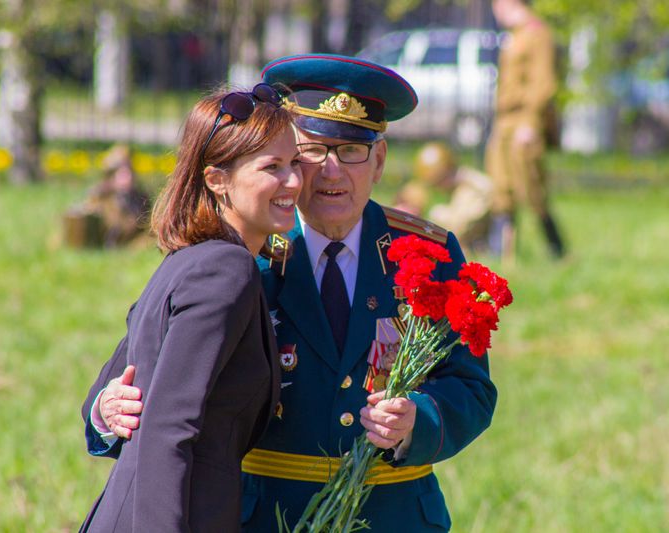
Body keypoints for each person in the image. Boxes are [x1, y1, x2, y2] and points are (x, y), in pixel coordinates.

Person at [88, 54, 497, 533]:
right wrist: (107, 409)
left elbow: (471, 386)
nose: (330, 172)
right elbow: (140, 368)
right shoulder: (241, 252)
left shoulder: (427, 253)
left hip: (393, 513)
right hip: (267, 513)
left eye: (351, 151)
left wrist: (417, 421)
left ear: (380, 160)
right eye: (312, 152)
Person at [79, 83, 302, 532]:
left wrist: (105, 406)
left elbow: (117, 388)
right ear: (217, 180)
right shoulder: (226, 269)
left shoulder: (191, 259)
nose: (294, 181)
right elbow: (168, 426)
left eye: (295, 163)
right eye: (272, 167)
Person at [487, 0, 566, 260]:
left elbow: (544, 83)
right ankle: (502, 254)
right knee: (501, 189)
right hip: (505, 120)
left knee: (532, 188)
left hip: (523, 120)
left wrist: (530, 123)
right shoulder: (516, 34)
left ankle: (557, 250)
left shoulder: (537, 34)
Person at [395, 141, 494, 254]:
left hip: (479, 242)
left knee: (438, 213)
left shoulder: (468, 191)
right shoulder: (458, 189)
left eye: (437, 182)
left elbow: (459, 228)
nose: (438, 188)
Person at [83, 144, 151, 247]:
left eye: (129, 170)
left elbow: (146, 230)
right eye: (122, 172)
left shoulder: (140, 199)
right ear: (110, 175)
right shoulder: (100, 198)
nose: (128, 176)